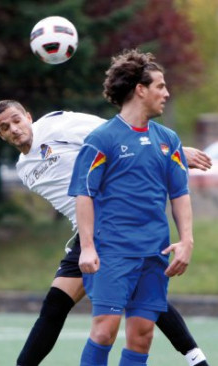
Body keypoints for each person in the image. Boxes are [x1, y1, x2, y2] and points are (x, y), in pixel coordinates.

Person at [0, 100, 210, 366]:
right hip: (88, 237)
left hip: (114, 229)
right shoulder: (24, 170)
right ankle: (197, 360)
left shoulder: (54, 124)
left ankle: (196, 359)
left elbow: (114, 131)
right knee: (56, 307)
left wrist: (171, 150)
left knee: (138, 299)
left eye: (17, 120)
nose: (14, 128)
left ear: (28, 116)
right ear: (0, 135)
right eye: (5, 127)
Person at [68, 49, 196, 366]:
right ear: (140, 89)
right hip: (113, 251)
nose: (166, 93)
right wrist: (87, 248)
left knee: (142, 335)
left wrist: (187, 241)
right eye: (160, 86)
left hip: (155, 252)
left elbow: (180, 193)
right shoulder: (102, 139)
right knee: (104, 331)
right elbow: (83, 193)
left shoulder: (169, 140)